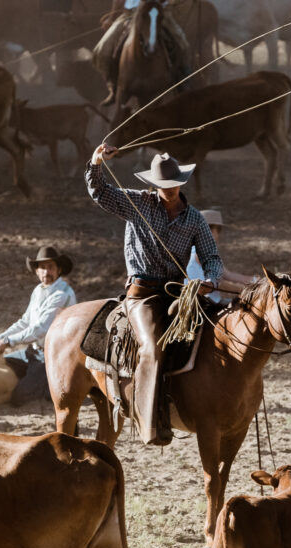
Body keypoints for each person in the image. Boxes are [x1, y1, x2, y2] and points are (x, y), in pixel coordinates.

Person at [87, 144, 223, 445]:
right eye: (164, 185)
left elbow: (211, 257)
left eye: (174, 184)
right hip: (143, 294)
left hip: (179, 293)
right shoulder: (138, 204)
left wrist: (210, 281)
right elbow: (101, 193)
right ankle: (150, 423)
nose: (170, 190)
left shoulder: (194, 219)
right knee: (152, 348)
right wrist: (96, 163)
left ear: (181, 183)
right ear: (153, 185)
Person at [0, 245, 77, 405]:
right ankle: (37, 378)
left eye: (50, 267)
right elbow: (25, 321)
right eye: (42, 268)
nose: (46, 272)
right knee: (2, 362)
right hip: (33, 352)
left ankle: (52, 383)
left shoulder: (62, 294)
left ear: (59, 269)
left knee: (19, 398)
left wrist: (7, 342)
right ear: (36, 271)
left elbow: (40, 328)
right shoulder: (38, 290)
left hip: (52, 356)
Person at [93, 0, 192, 106]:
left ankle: (182, 79)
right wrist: (112, 18)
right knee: (101, 49)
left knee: (183, 44)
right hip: (130, 14)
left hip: (157, 13)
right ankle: (113, 86)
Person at [185, 209, 253, 304]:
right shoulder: (197, 253)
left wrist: (256, 281)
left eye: (217, 231)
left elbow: (228, 275)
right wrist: (245, 290)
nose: (216, 235)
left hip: (210, 302)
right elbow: (218, 284)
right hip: (202, 305)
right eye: (213, 230)